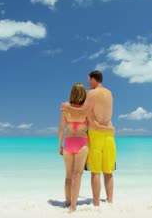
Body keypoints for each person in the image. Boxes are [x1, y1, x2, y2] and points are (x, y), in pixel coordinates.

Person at [61, 70, 116, 207]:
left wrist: (67, 107)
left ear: (93, 79)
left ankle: (96, 204)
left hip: (96, 134)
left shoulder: (91, 93)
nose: (87, 83)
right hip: (109, 134)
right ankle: (109, 202)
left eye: (88, 80)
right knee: (108, 171)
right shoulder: (109, 94)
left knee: (95, 171)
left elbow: (84, 112)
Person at [58, 83, 89, 212]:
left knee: (68, 176)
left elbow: (61, 128)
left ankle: (67, 201)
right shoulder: (86, 109)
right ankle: (73, 206)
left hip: (68, 142)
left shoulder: (65, 108)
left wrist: (59, 145)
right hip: (82, 142)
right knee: (77, 175)